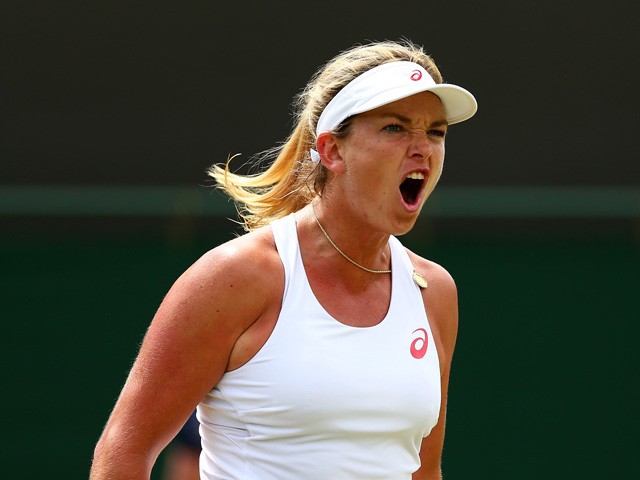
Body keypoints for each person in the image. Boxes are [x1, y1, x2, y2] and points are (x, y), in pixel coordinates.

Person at [90, 39, 477, 480]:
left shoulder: (435, 292)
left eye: (436, 132)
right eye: (395, 127)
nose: (422, 147)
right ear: (332, 151)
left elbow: (424, 472)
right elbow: (122, 453)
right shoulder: (238, 277)